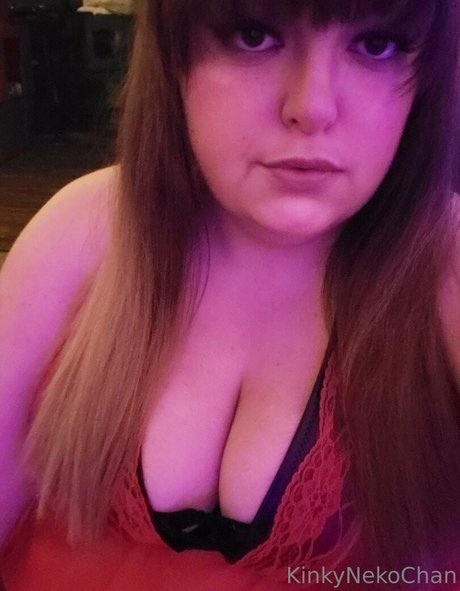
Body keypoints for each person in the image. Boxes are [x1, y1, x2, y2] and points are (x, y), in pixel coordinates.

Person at [1, 0, 459, 589]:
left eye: (376, 45)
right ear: (173, 58)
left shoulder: (444, 268)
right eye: (253, 35)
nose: (312, 107)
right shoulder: (84, 232)